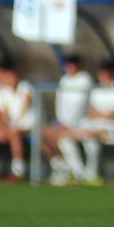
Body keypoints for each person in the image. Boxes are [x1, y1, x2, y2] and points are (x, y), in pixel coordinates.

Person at [56, 58, 114, 185]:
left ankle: (92, 174)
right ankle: (78, 173)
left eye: (106, 75)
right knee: (65, 139)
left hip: (112, 127)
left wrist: (100, 114)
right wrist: (100, 114)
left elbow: (112, 116)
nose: (103, 77)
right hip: (93, 125)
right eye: (101, 74)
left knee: (90, 140)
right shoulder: (97, 90)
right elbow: (91, 112)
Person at [40, 54, 93, 184]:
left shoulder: (85, 79)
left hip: (80, 123)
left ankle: (76, 172)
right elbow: (60, 102)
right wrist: (61, 121)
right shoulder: (64, 80)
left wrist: (68, 123)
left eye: (71, 65)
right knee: (43, 135)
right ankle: (60, 166)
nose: (69, 67)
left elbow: (80, 104)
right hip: (63, 122)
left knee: (63, 139)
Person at [0, 60, 34, 182]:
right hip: (13, 125)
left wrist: (14, 125)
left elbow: (26, 105)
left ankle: (18, 171)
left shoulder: (25, 87)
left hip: (27, 124)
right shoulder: (5, 92)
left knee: (14, 134)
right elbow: (5, 114)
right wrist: (0, 128)